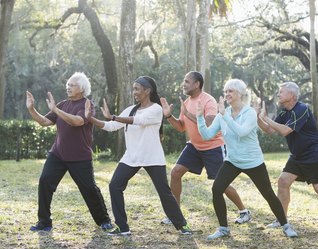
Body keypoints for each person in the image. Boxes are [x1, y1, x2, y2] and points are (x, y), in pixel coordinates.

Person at [85, 76, 192, 235]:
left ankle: (182, 225)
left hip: (152, 157)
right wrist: (91, 119)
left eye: (137, 89)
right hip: (131, 157)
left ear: (147, 90)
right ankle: (123, 227)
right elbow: (111, 126)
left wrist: (113, 116)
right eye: (133, 89)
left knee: (164, 192)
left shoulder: (156, 109)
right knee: (115, 186)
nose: (134, 92)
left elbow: (138, 121)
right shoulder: (130, 109)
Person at [196, 79, 297, 239]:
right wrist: (200, 117)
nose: (227, 94)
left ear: (240, 94)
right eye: (226, 91)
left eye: (231, 91)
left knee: (268, 194)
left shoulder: (249, 113)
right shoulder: (224, 113)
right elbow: (207, 135)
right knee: (217, 189)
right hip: (233, 161)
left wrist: (224, 116)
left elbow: (241, 132)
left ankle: (285, 225)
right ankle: (223, 229)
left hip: (253, 162)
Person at [26, 72, 113, 232]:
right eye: (68, 85)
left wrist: (56, 110)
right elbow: (45, 122)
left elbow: (77, 121)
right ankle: (44, 222)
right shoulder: (62, 104)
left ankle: (104, 220)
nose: (68, 87)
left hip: (80, 156)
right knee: (45, 181)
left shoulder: (87, 105)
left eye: (72, 85)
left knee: (89, 189)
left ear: (82, 88)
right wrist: (32, 109)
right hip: (58, 154)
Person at [160, 71, 250, 225]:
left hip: (213, 146)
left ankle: (244, 211)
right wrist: (169, 116)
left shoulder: (208, 100)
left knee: (221, 184)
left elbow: (208, 123)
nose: (184, 84)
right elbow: (181, 127)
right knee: (175, 172)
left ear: (197, 84)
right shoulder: (187, 102)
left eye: (187, 81)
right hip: (194, 146)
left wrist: (187, 113)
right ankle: (175, 214)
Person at [257, 81, 318, 229]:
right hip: (297, 155)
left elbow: (285, 130)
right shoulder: (284, 112)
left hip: (313, 154)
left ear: (292, 95)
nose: (278, 94)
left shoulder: (302, 109)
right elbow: (270, 131)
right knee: (283, 181)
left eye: (281, 91)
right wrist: (257, 118)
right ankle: (282, 219)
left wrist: (266, 118)